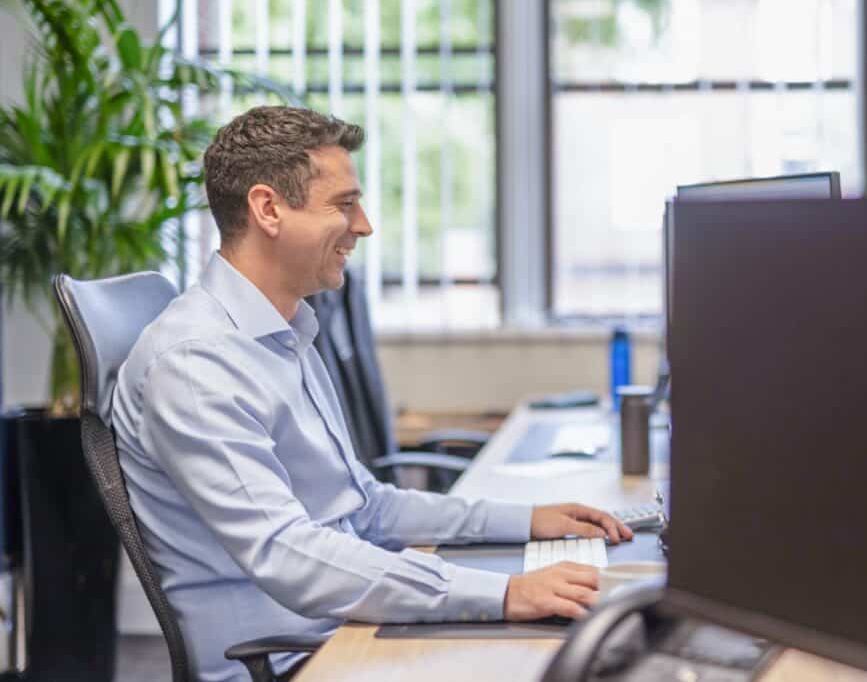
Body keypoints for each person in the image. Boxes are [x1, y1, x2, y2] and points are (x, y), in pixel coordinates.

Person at [111, 106, 633, 682]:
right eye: (343, 204)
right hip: (287, 659)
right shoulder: (195, 362)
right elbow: (286, 553)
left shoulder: (284, 334)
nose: (363, 225)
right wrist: (506, 593)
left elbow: (365, 507)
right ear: (268, 209)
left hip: (338, 628)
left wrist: (525, 519)